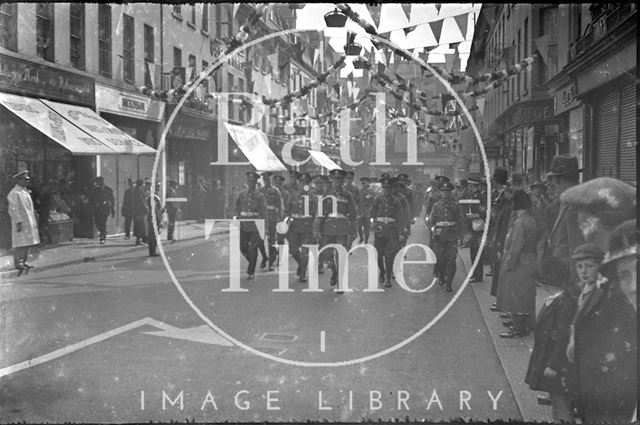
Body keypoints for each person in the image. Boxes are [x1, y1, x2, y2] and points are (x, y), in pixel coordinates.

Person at [567, 230, 636, 423]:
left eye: (589, 266)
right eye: (579, 266)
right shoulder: (584, 290)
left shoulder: (605, 294)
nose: (583, 271)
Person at [524, 252, 575, 422]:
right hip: (555, 358)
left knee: (561, 404)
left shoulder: (564, 301)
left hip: (558, 362)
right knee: (557, 401)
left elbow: (562, 336)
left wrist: (552, 365)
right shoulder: (561, 298)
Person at [497, 190, 538, 338]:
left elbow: (515, 247)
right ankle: (525, 324)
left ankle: (518, 327)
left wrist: (509, 263)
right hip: (530, 260)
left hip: (519, 261)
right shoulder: (530, 219)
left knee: (515, 296)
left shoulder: (520, 222)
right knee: (526, 295)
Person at [540, 155, 586, 282]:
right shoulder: (564, 202)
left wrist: (576, 281)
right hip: (563, 272)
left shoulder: (575, 206)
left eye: (553, 182)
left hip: (571, 274)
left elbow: (577, 248)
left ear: (562, 180)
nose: (552, 185)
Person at [313, 169, 357, 290]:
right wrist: (316, 229)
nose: (337, 182)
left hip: (342, 229)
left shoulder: (348, 195)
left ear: (342, 181)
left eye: (340, 179)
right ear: (332, 180)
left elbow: (353, 214)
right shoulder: (325, 194)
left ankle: (340, 283)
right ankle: (334, 270)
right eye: (335, 179)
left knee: (341, 255)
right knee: (325, 254)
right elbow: (319, 213)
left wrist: (353, 230)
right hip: (327, 228)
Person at [427, 181, 468, 292]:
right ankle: (441, 275)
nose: (445, 194)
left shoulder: (455, 206)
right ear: (440, 193)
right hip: (439, 236)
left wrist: (463, 235)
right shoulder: (436, 206)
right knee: (440, 259)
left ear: (450, 193)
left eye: (447, 192)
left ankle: (449, 283)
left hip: (452, 236)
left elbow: (461, 221)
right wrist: (433, 229)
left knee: (451, 260)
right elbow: (431, 220)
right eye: (443, 192)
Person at [371, 177, 406, 287]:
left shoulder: (396, 201)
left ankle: (388, 278)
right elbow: (372, 213)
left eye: (388, 188)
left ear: (391, 189)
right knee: (379, 254)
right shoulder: (377, 200)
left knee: (389, 255)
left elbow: (400, 218)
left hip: (392, 231)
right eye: (385, 188)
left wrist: (401, 233)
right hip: (379, 231)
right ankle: (382, 271)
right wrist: (373, 223)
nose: (386, 190)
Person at [284, 172, 316, 282]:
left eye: (305, 182)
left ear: (308, 184)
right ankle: (301, 265)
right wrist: (285, 222)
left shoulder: (312, 196)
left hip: (307, 227)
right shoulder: (293, 195)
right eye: (301, 182)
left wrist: (316, 227)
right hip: (294, 226)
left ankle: (303, 274)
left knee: (304, 252)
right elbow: (287, 210)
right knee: (293, 250)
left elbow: (316, 213)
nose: (303, 184)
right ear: (299, 182)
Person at [234, 171, 267, 280]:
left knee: (253, 248)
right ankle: (252, 261)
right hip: (244, 224)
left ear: (256, 182)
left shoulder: (260, 196)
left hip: (255, 225)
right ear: (247, 182)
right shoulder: (242, 194)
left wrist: (264, 227)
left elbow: (263, 212)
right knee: (242, 248)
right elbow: (237, 208)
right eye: (249, 181)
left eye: (253, 181)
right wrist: (236, 217)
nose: (251, 183)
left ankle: (251, 270)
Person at [7, 169, 40, 275]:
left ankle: (24, 261)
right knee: (19, 242)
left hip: (28, 221)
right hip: (21, 222)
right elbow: (13, 209)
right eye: (25, 180)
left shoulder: (25, 191)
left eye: (28, 180)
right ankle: (18, 262)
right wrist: (18, 221)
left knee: (26, 242)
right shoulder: (14, 193)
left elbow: (29, 208)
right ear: (19, 180)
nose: (27, 182)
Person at [488, 167, 510, 307]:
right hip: (497, 233)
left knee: (501, 270)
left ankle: (502, 301)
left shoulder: (505, 198)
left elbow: (503, 219)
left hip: (502, 235)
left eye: (495, 182)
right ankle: (499, 300)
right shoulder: (498, 195)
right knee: (498, 269)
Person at [259, 171, 283, 271]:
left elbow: (280, 206)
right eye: (265, 179)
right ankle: (265, 257)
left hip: (272, 219)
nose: (266, 181)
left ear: (270, 180)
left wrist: (280, 220)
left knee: (271, 241)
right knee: (259, 242)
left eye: (268, 179)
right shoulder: (259, 191)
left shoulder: (276, 191)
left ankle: (271, 262)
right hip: (261, 220)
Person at [466, 177, 486, 282]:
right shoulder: (474, 196)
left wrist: (470, 216)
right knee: (473, 252)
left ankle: (478, 275)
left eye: (470, 185)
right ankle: (475, 273)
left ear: (473, 186)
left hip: (478, 228)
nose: (469, 187)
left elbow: (482, 213)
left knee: (476, 252)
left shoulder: (480, 197)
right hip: (474, 228)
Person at [90, 176, 115, 245]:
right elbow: (92, 199)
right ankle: (103, 232)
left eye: (98, 182)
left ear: (101, 182)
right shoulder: (95, 190)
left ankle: (102, 237)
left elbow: (112, 200)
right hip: (97, 209)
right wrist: (95, 204)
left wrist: (112, 210)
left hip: (105, 209)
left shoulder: (108, 190)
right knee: (97, 223)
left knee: (102, 223)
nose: (97, 183)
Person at [344, 171, 360, 249]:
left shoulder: (355, 189)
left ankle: (348, 247)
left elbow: (359, 201)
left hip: (353, 212)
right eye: (347, 178)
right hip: (344, 212)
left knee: (352, 232)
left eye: (350, 178)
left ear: (353, 179)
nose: (349, 180)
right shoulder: (342, 188)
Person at [357, 177, 375, 244]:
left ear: (368, 183)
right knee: (359, 227)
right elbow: (358, 202)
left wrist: (370, 213)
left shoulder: (371, 192)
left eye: (364, 183)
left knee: (366, 228)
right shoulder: (359, 191)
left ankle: (366, 241)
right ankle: (361, 238)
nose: (363, 184)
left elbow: (372, 203)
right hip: (359, 212)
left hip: (367, 213)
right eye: (362, 183)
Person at [146, 181, 162, 256]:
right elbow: (154, 209)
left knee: (154, 235)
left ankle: (153, 250)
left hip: (155, 218)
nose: (159, 188)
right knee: (153, 235)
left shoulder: (155, 196)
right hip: (154, 219)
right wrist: (159, 219)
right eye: (157, 186)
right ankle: (152, 251)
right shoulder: (152, 197)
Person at [132, 179, 148, 246]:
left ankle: (138, 240)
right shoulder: (139, 191)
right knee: (140, 226)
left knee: (138, 225)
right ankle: (139, 240)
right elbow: (141, 201)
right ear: (141, 184)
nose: (144, 185)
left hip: (136, 211)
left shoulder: (136, 190)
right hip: (140, 211)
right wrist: (146, 208)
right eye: (144, 183)